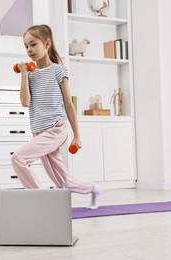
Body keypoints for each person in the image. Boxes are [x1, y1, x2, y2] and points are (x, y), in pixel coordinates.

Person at [11, 24, 102, 209]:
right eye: (26, 46)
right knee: (63, 182)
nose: (29, 50)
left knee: (18, 158)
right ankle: (94, 189)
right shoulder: (30, 74)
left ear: (47, 43)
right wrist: (24, 74)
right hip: (39, 132)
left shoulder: (58, 71)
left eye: (33, 44)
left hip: (56, 128)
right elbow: (25, 103)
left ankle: (43, 204)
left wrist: (77, 135)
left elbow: (69, 105)